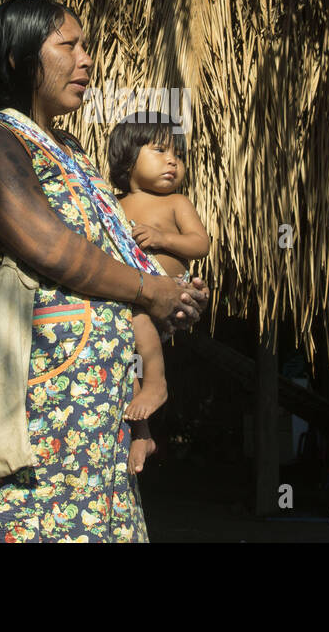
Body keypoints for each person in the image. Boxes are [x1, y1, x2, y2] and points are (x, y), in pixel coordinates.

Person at [0, 0, 209, 542]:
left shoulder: (70, 152)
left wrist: (171, 298)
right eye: (69, 45)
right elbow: (53, 250)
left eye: (86, 45)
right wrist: (149, 289)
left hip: (102, 416)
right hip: (44, 409)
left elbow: (117, 263)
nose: (87, 59)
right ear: (19, 59)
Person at [107, 112, 212, 470]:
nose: (173, 161)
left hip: (168, 293)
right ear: (128, 159)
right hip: (129, 297)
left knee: (140, 323)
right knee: (126, 364)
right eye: (160, 151)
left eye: (178, 155)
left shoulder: (176, 203)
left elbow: (201, 244)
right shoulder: (112, 205)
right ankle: (142, 434)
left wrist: (163, 237)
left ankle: (158, 381)